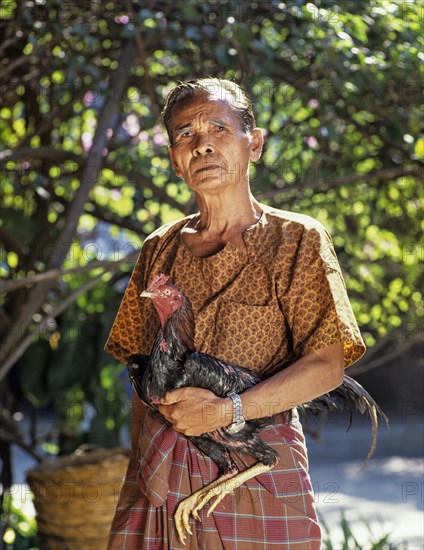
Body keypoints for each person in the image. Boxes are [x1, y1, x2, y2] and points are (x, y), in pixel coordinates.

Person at [105, 78, 365, 549]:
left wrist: (229, 410)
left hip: (256, 470)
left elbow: (327, 366)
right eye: (185, 134)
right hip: (163, 471)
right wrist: (143, 476)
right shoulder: (157, 250)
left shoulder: (298, 240)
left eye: (218, 128)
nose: (202, 143)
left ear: (255, 143)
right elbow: (141, 381)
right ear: (174, 158)